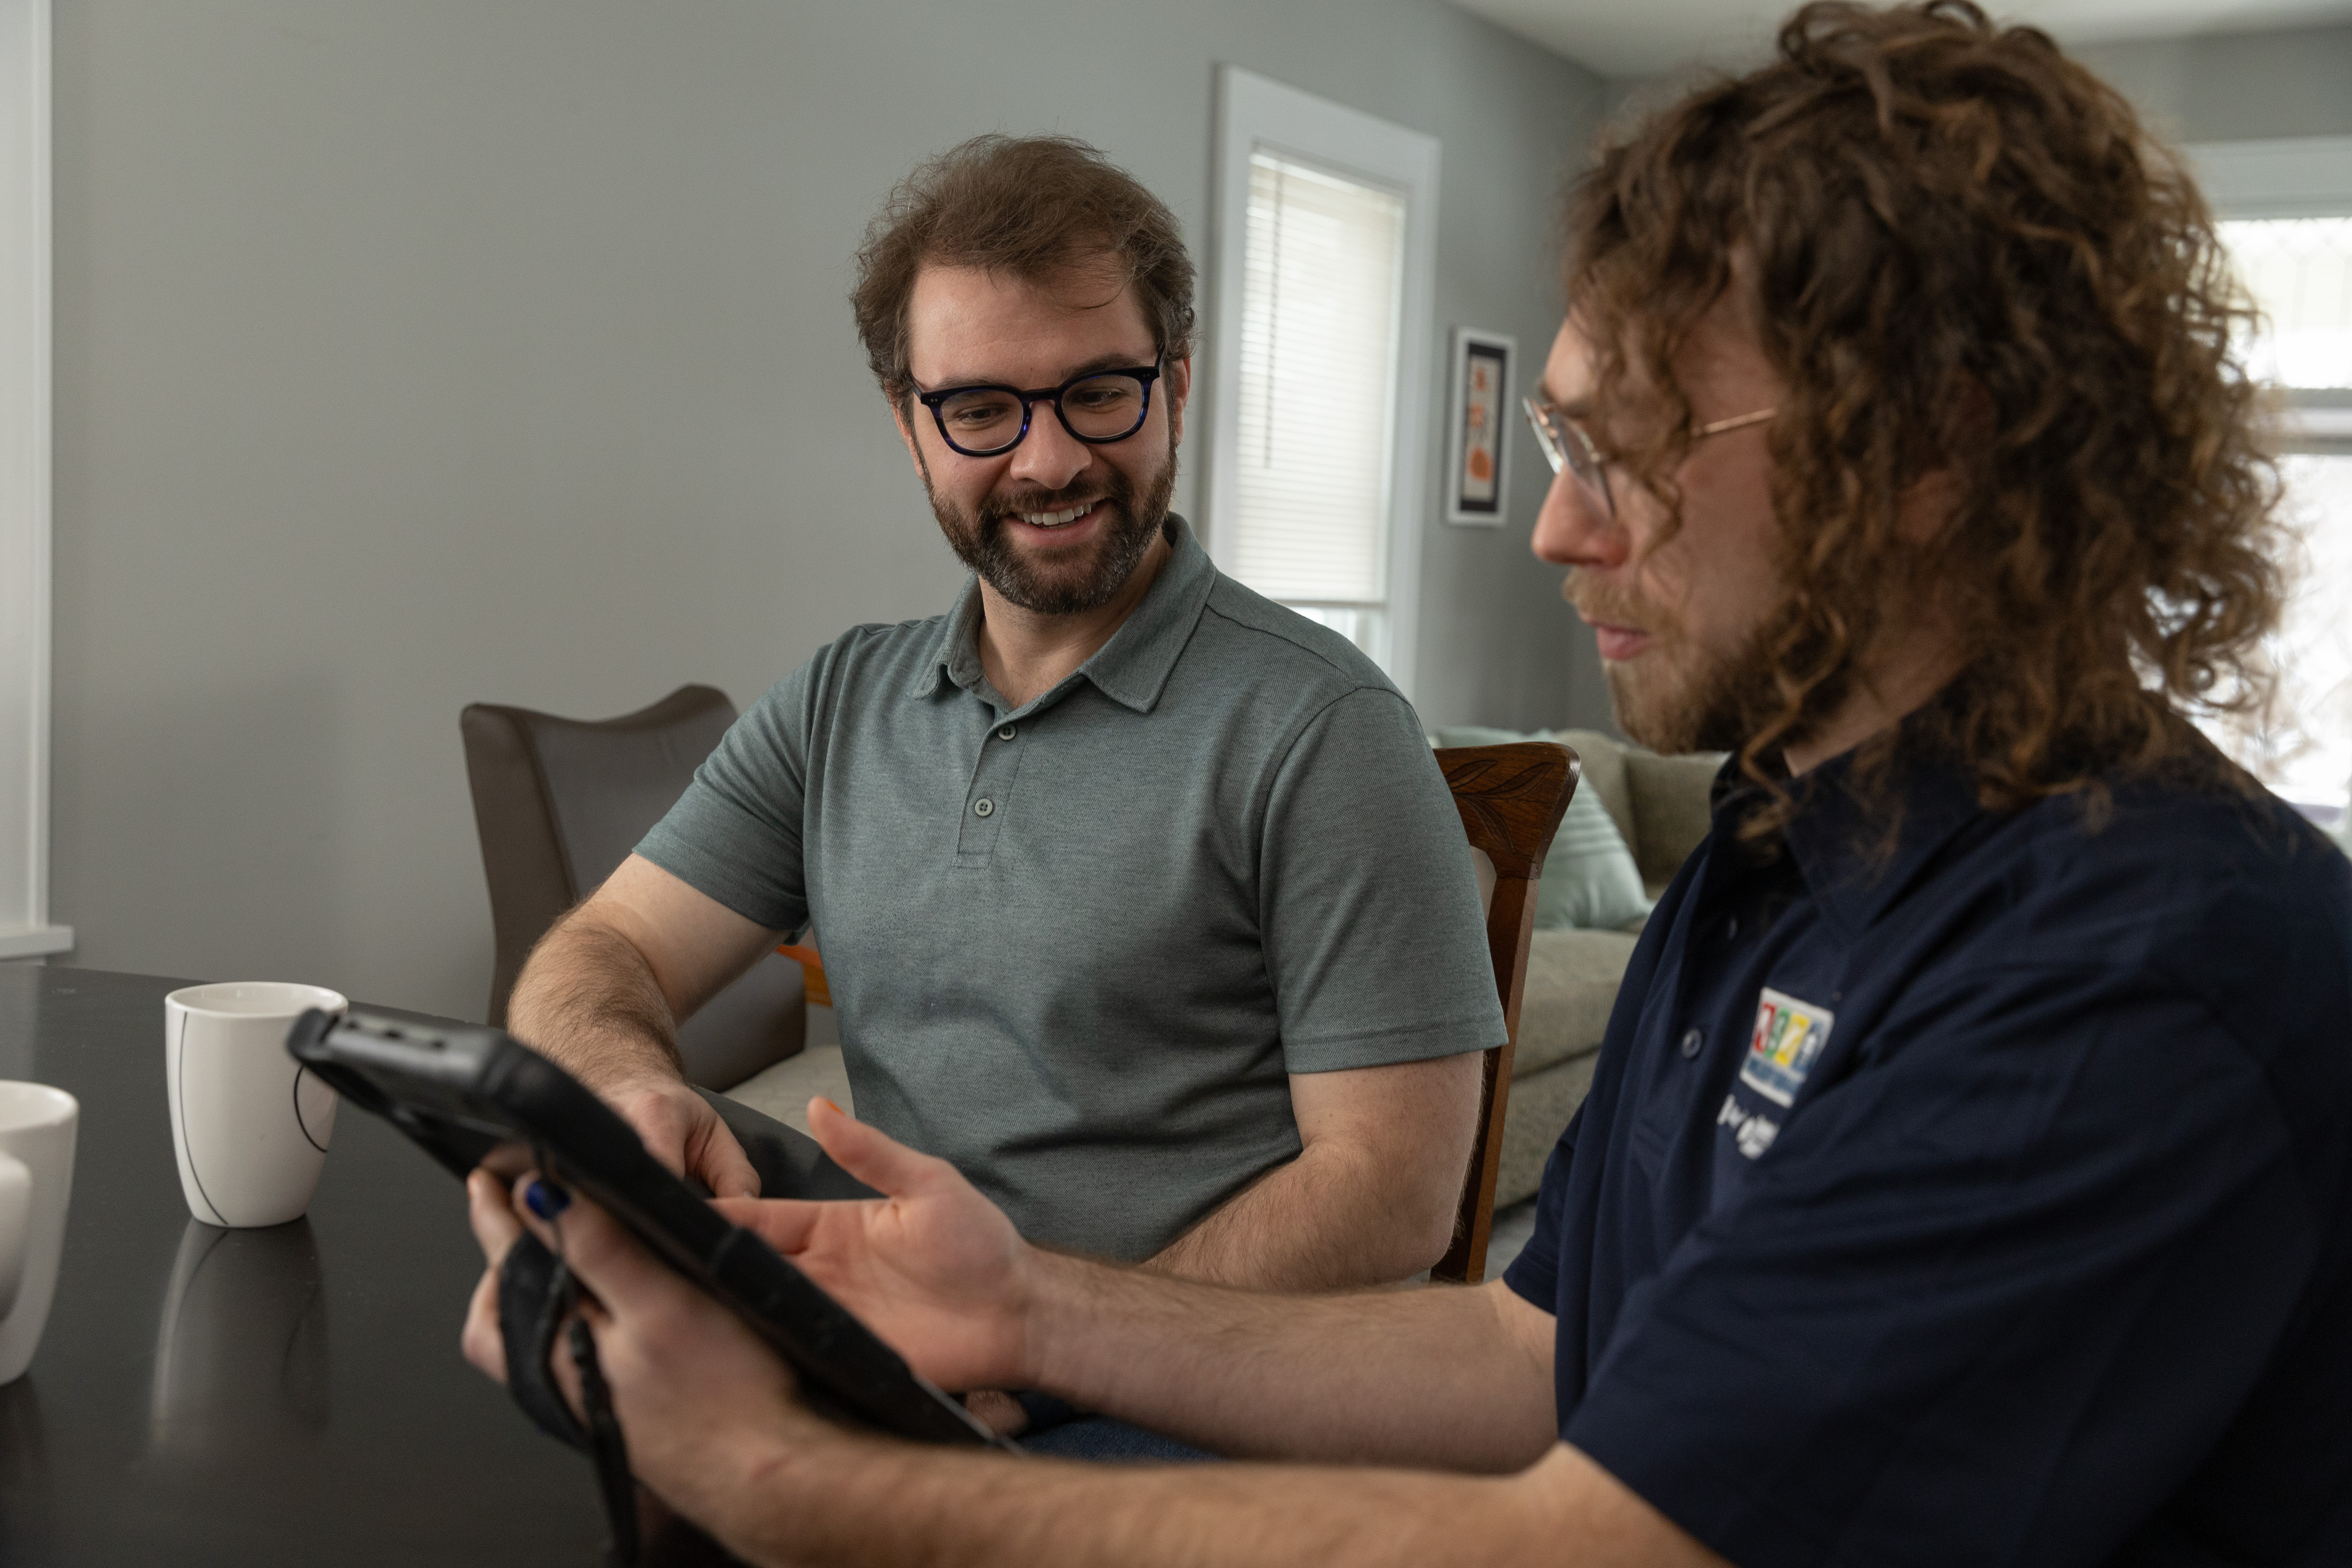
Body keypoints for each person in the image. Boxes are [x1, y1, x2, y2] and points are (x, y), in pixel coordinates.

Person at [463, 4, 2352, 1563]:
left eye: (1624, 451)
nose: (1546, 527)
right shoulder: (1784, 845)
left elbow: (1597, 1539)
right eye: (1556, 439)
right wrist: (1021, 1305)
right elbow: (1541, 1351)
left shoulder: (2136, 965)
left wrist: (803, 1485)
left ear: (1935, 453)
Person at [499, 136, 1501, 1354]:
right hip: (909, 1351)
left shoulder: (1323, 730)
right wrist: (627, 1088)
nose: (1049, 460)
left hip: (1201, 1387)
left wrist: (1047, 1342)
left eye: (1097, 392)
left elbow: (1396, 1195)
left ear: (1177, 384)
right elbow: (601, 951)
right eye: (981, 409)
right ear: (909, 426)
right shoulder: (837, 703)